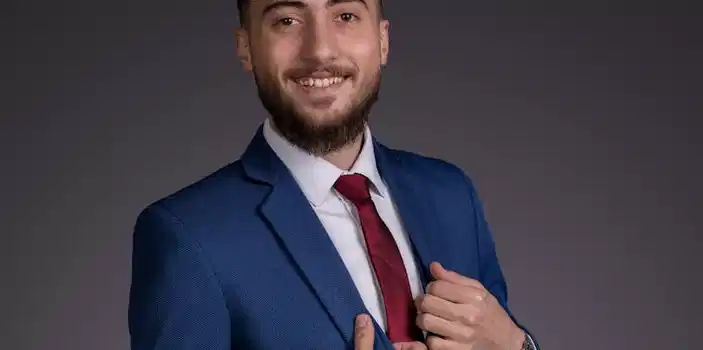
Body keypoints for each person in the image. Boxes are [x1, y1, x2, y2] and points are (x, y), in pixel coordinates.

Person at [127, 0, 541, 349]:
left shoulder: (452, 194)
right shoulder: (188, 237)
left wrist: (517, 344)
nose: (320, 51)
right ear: (246, 47)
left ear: (382, 40)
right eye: (287, 20)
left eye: (345, 15)